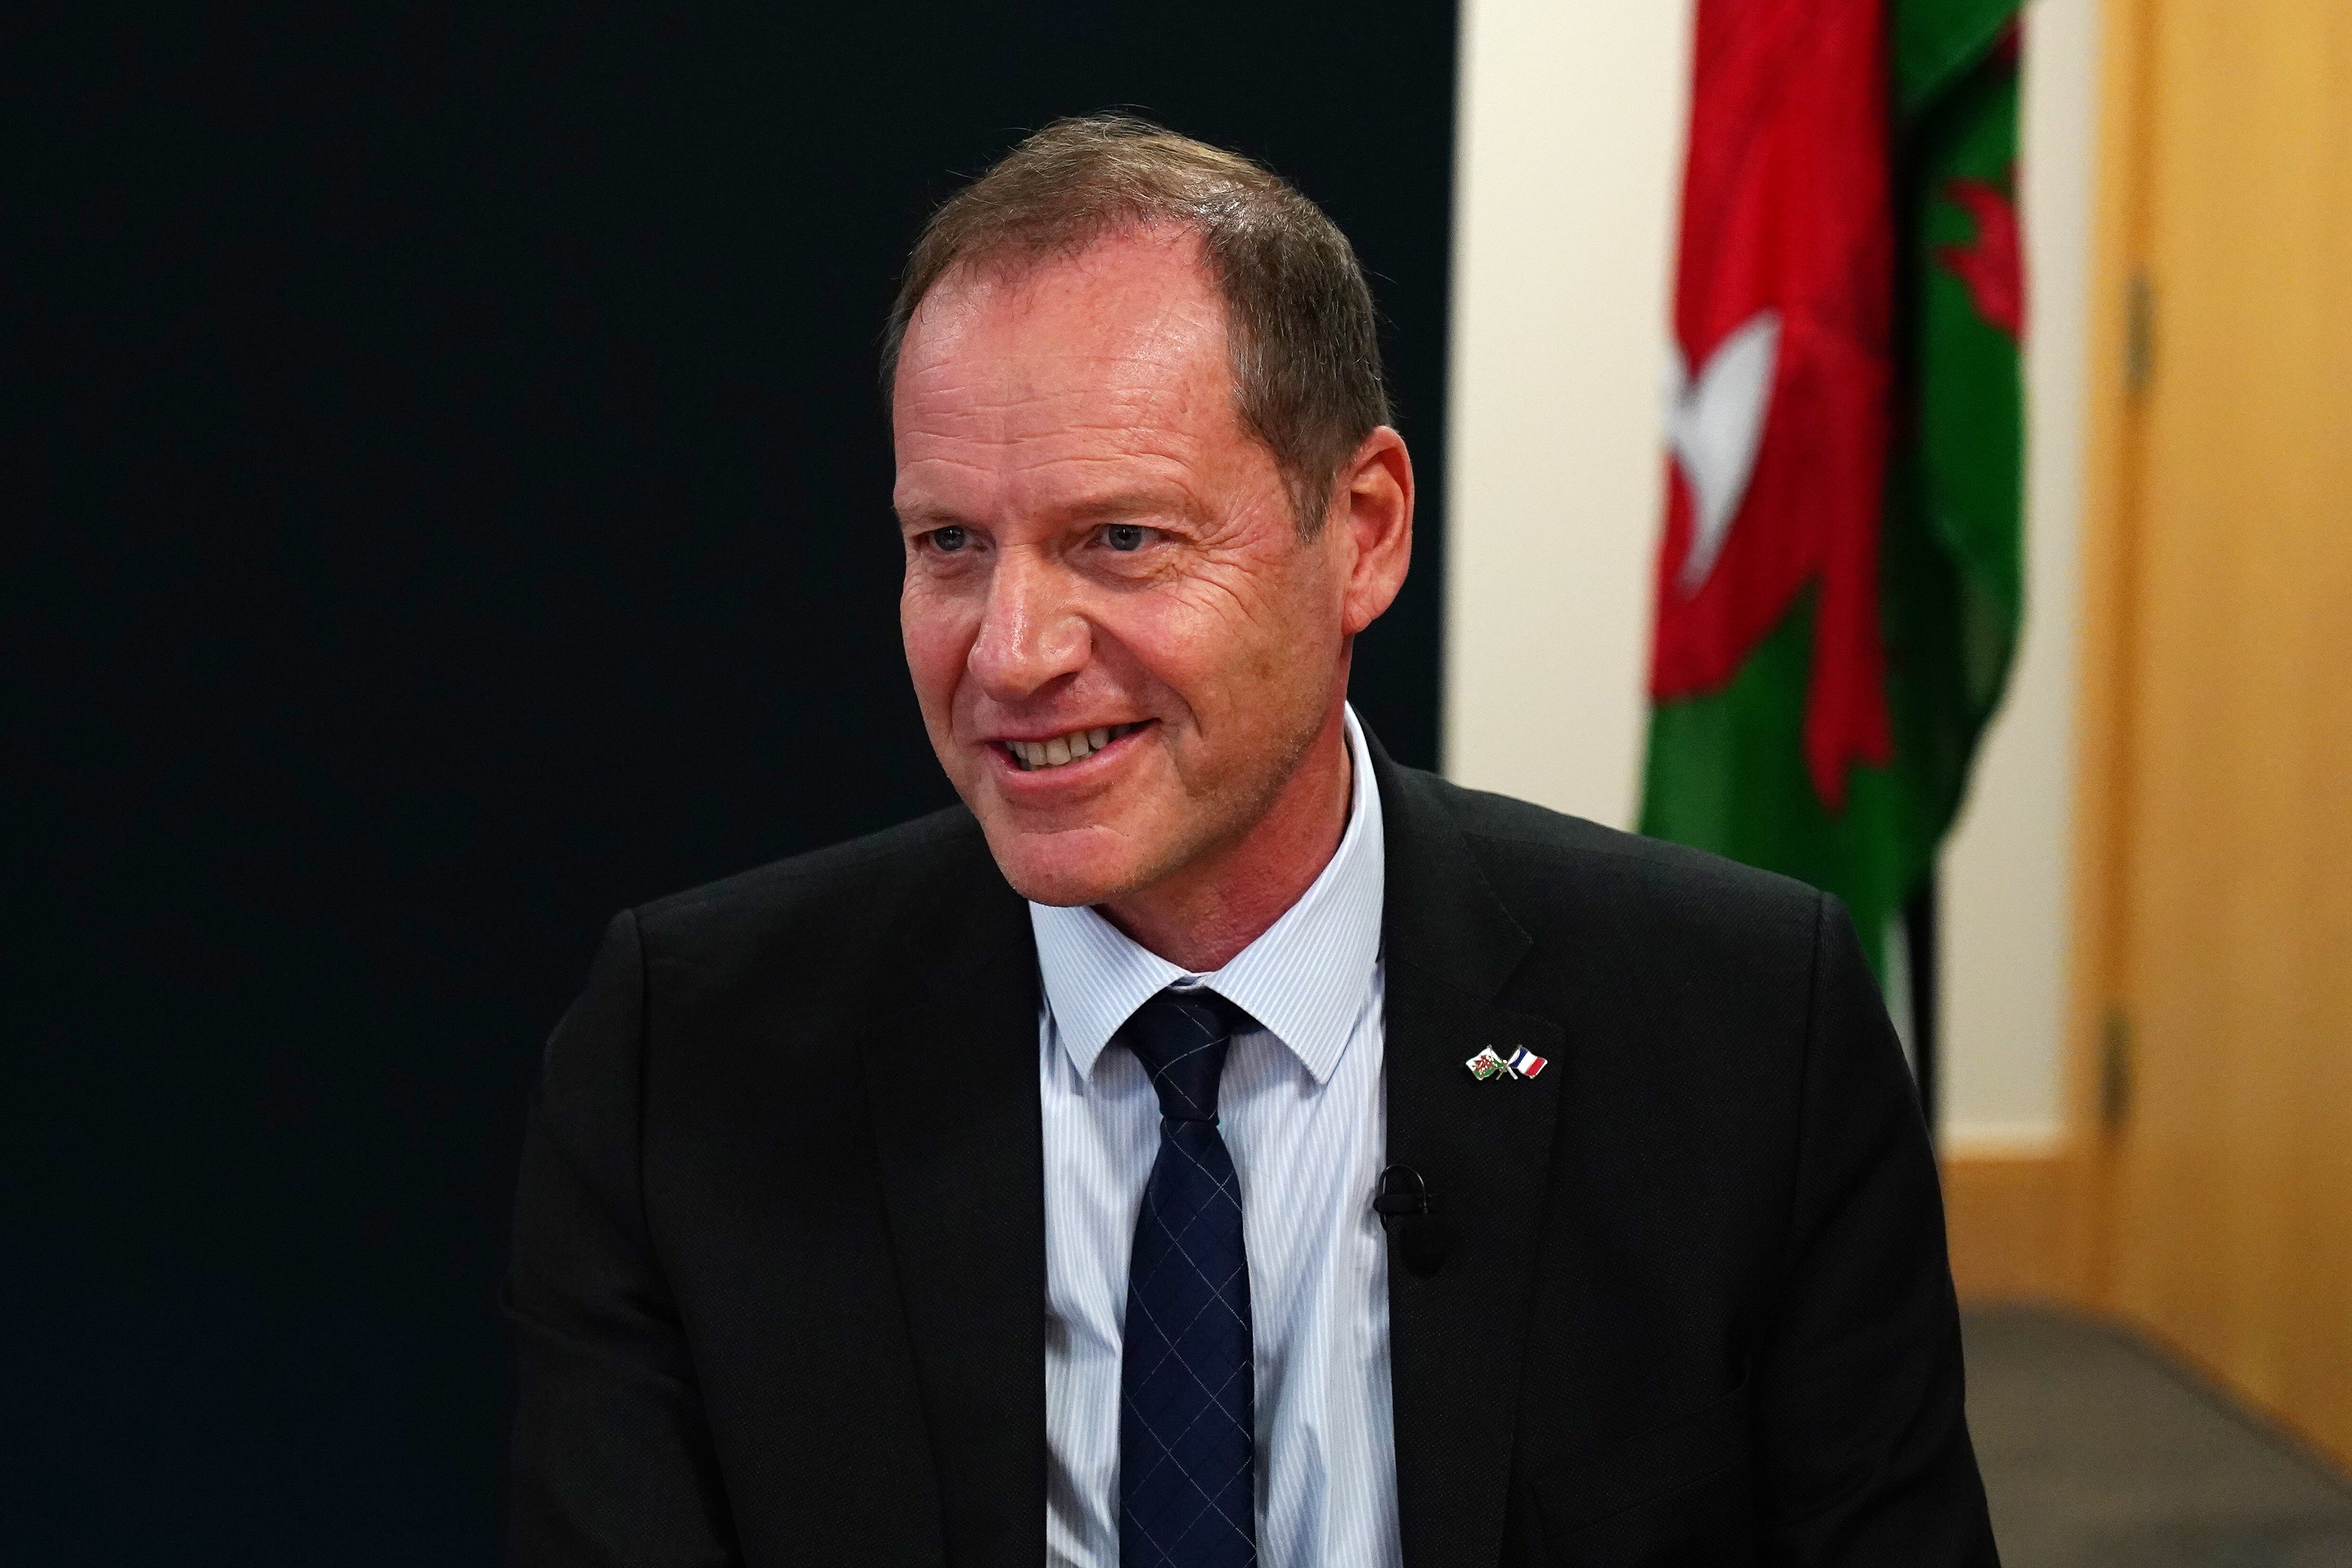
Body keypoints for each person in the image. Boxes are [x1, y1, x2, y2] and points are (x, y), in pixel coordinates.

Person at [503, 115, 1998, 1568]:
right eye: (949, 543)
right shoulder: (691, 1058)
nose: (1010, 653)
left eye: (1121, 539)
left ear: (1365, 530)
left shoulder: (1744, 1035)